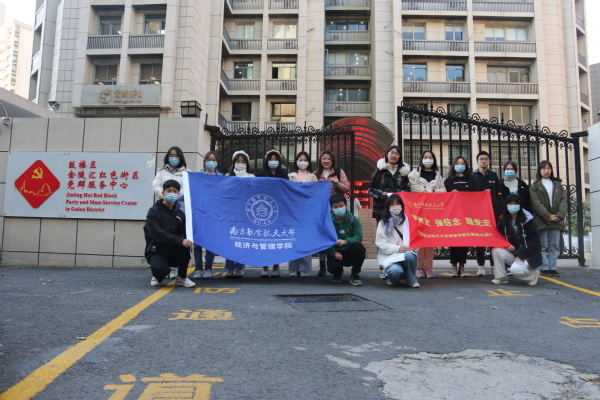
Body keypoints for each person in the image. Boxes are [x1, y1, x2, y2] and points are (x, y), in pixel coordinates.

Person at [144, 180, 195, 288]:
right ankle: (157, 275)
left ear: (178, 194)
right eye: (169, 191)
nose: (172, 193)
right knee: (161, 270)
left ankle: (182, 277)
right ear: (163, 193)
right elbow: (157, 233)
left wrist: (183, 241)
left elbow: (183, 233)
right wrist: (179, 240)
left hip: (174, 250)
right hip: (157, 250)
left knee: (186, 244)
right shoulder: (153, 211)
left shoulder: (180, 213)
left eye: (175, 191)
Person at [152, 146, 190, 279]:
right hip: (164, 208)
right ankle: (163, 267)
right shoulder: (161, 171)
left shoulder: (186, 172)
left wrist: (176, 196)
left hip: (180, 208)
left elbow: (188, 188)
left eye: (176, 156)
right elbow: (155, 186)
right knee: (165, 235)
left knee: (179, 236)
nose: (174, 158)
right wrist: (166, 196)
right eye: (171, 155)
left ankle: (175, 268)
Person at [408, 150, 446, 279]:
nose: (428, 159)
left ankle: (429, 268)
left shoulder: (438, 175)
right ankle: (420, 268)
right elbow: (411, 187)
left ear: (434, 160)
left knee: (430, 241)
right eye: (426, 157)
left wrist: (436, 191)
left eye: (430, 157)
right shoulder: (414, 174)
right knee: (419, 240)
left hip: (433, 212)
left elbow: (443, 190)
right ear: (421, 159)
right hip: (418, 211)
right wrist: (424, 190)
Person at [491, 194, 542, 285]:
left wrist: (521, 253)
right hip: (514, 254)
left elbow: (534, 241)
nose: (513, 206)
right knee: (496, 250)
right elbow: (498, 237)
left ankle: (532, 274)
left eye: (516, 203)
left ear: (520, 205)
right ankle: (501, 277)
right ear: (506, 205)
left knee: (515, 270)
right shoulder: (503, 221)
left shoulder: (528, 220)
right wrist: (506, 245)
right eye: (510, 203)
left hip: (527, 255)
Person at [467, 151, 503, 276]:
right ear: (477, 161)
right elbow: (469, 196)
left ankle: (493, 266)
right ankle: (481, 266)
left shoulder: (493, 175)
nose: (483, 161)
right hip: (478, 214)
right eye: (481, 159)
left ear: (489, 161)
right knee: (480, 241)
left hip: (492, 213)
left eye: (486, 159)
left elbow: (499, 194)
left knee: (493, 240)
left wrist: (500, 211)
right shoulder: (472, 176)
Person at [315, 150, 350, 277]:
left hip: (336, 210)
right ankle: (322, 266)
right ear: (320, 160)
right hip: (321, 211)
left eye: (328, 159)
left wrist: (337, 183)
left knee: (336, 236)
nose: (326, 161)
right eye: (324, 158)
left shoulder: (339, 172)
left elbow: (347, 188)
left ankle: (337, 262)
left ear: (332, 160)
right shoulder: (315, 174)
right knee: (322, 237)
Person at [529, 160, 566, 277]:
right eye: (544, 168)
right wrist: (546, 215)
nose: (546, 171)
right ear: (539, 171)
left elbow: (563, 201)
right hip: (541, 219)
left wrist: (560, 215)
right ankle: (544, 267)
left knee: (554, 244)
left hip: (556, 219)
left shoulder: (558, 185)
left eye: (548, 168)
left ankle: (552, 267)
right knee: (542, 244)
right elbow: (535, 203)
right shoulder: (535, 186)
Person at [375, 194, 419, 288]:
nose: (395, 206)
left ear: (402, 206)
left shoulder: (408, 221)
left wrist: (412, 247)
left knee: (410, 255)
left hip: (405, 254)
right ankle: (394, 278)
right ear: (388, 206)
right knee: (395, 271)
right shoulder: (383, 223)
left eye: (398, 203)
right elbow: (381, 243)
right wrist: (398, 248)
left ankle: (410, 279)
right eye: (392, 204)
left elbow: (416, 239)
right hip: (389, 256)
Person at [224, 150, 255, 278]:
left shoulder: (251, 177)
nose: (240, 164)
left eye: (243, 162)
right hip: (231, 212)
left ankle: (240, 268)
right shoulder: (227, 176)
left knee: (243, 240)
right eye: (238, 161)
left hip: (246, 213)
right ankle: (230, 268)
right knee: (231, 240)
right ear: (233, 163)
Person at [190, 152, 221, 280]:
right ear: (205, 161)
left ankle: (208, 269)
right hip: (199, 212)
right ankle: (198, 269)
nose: (211, 162)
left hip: (213, 213)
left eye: (213, 160)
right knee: (197, 243)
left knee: (210, 243)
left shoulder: (221, 177)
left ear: (217, 162)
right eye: (208, 159)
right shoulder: (198, 176)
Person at [259, 149, 289, 278]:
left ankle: (276, 266)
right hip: (265, 211)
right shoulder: (262, 175)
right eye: (270, 159)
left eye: (275, 159)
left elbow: (288, 189)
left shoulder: (283, 174)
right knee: (265, 238)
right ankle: (265, 266)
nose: (273, 161)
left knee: (276, 239)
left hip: (279, 210)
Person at [287, 151, 317, 277]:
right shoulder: (290, 176)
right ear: (296, 161)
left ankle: (304, 268)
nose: (302, 162)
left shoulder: (313, 177)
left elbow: (316, 193)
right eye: (300, 159)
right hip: (293, 212)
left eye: (305, 160)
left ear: (308, 162)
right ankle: (293, 268)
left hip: (307, 212)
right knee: (293, 239)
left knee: (306, 240)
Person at [326, 194, 366, 285]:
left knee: (359, 247)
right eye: (335, 207)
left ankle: (355, 274)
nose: (338, 209)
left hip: (350, 252)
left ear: (346, 205)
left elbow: (358, 237)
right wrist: (333, 253)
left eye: (341, 206)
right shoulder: (327, 222)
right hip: (336, 252)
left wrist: (346, 241)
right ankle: (338, 273)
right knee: (333, 268)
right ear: (331, 208)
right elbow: (325, 240)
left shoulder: (354, 220)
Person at [368, 145, 411, 223]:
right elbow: (371, 189)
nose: (394, 155)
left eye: (397, 154)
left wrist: (404, 192)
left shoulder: (403, 172)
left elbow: (407, 187)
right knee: (382, 229)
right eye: (392, 153)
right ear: (387, 155)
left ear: (400, 157)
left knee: (398, 229)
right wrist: (381, 194)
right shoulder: (379, 171)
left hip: (398, 208)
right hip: (381, 208)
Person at [444, 156, 471, 277]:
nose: (460, 165)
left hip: (466, 214)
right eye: (458, 163)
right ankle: (454, 266)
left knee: (464, 240)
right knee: (454, 240)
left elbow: (475, 195)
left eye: (462, 163)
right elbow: (443, 197)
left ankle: (462, 266)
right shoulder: (448, 181)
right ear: (453, 165)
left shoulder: (470, 180)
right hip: (453, 215)